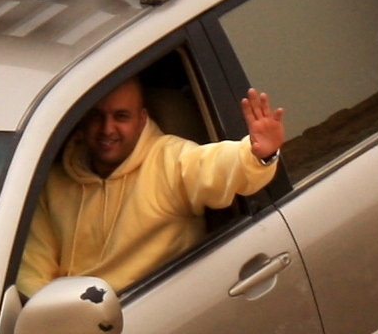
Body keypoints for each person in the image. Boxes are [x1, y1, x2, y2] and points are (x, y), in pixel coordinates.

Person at [16, 77, 288, 296]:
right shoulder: (53, 181)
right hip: (69, 329)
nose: (107, 129)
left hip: (148, 316)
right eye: (97, 116)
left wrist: (257, 155)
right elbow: (33, 271)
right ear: (83, 120)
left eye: (121, 116)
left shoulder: (169, 159)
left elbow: (218, 167)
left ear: (142, 119)